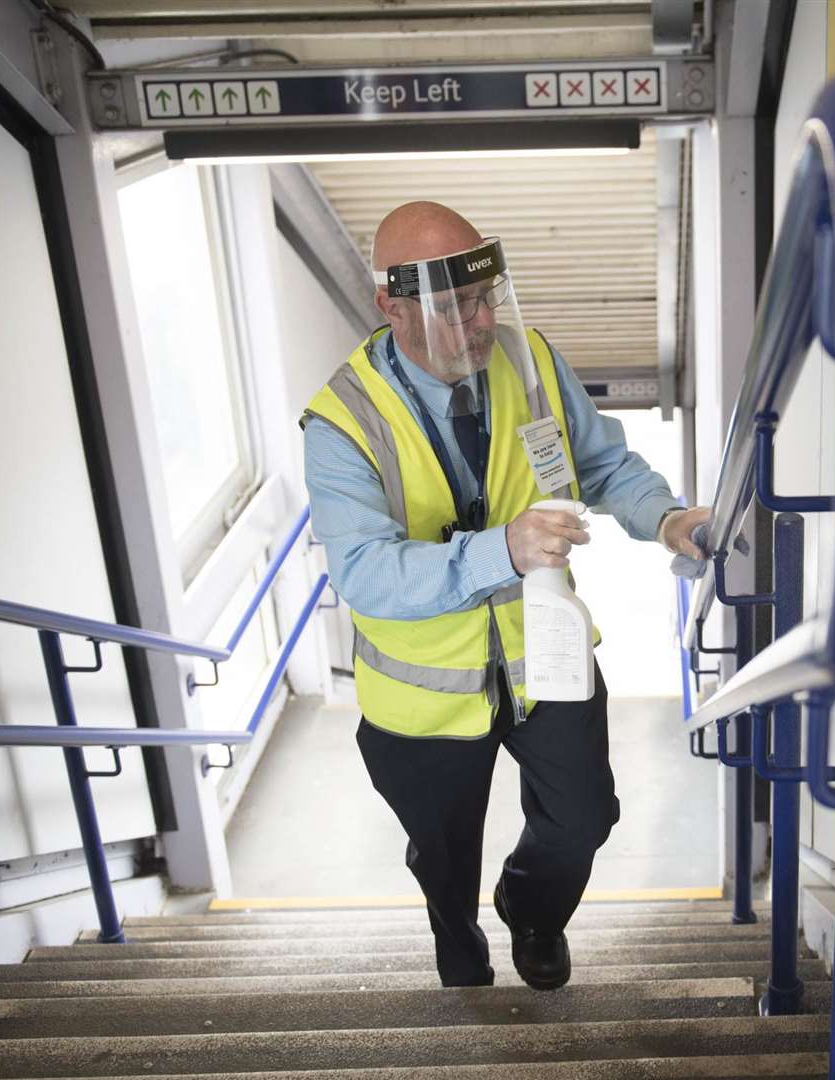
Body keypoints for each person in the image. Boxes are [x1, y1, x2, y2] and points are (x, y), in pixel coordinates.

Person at [302, 201, 709, 990]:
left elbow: (600, 464)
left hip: (544, 654)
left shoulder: (529, 361)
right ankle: (460, 951)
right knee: (442, 851)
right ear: (390, 306)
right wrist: (502, 550)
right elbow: (364, 573)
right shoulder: (341, 423)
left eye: (487, 298)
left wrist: (666, 518)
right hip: (420, 697)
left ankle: (531, 910)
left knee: (584, 820)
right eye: (452, 308)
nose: (479, 323)